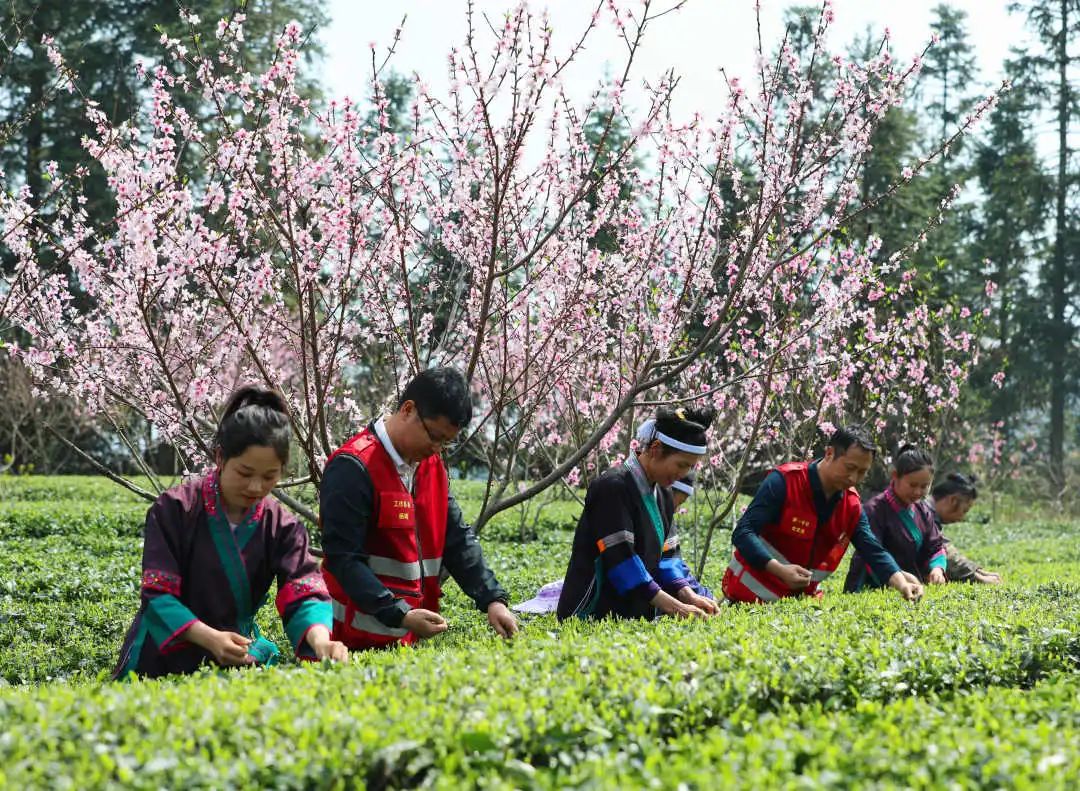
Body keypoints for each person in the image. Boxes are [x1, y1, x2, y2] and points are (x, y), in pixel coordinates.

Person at [114, 387, 347, 680]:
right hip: (161, 657)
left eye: (269, 476)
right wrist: (209, 638)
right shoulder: (176, 509)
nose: (255, 487)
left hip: (234, 657)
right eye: (245, 473)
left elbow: (303, 590)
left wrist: (321, 640)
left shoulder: (282, 526)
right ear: (220, 457)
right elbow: (158, 595)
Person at [320, 367, 517, 650]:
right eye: (434, 436)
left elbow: (457, 538)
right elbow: (344, 559)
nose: (437, 449)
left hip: (409, 641)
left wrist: (492, 600)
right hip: (354, 643)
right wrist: (399, 614)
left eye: (446, 442)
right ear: (408, 410)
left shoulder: (431, 467)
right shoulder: (353, 467)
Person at [724, 425, 924, 604]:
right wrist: (779, 570)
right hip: (748, 598)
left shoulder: (851, 504)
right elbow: (743, 532)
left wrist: (900, 582)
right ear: (829, 453)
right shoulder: (785, 481)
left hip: (799, 604)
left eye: (862, 472)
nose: (854, 478)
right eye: (850, 468)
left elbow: (872, 549)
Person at [557, 407, 720, 621]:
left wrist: (687, 594)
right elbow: (620, 560)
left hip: (638, 601)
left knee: (703, 597)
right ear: (655, 448)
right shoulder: (612, 487)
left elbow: (668, 555)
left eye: (689, 468)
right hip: (597, 608)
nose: (683, 474)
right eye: (681, 465)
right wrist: (675, 607)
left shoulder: (662, 492)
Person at [844, 445, 947, 592]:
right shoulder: (874, 510)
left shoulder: (923, 511)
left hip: (912, 584)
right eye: (912, 485)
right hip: (872, 587)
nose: (918, 491)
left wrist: (937, 569)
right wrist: (899, 578)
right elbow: (871, 555)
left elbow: (935, 546)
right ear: (895, 476)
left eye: (924, 486)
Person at [929, 472, 1001, 584]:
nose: (962, 517)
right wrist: (978, 578)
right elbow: (943, 554)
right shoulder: (923, 515)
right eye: (964, 510)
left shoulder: (930, 515)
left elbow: (944, 547)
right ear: (953, 500)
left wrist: (978, 571)